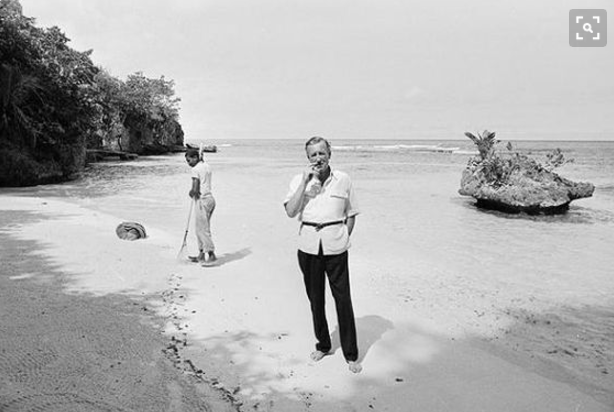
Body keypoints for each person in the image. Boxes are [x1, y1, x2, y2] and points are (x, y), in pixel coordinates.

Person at [283, 136, 362, 373]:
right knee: (316, 300)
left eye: (321, 153)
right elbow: (290, 211)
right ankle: (324, 344)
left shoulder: (343, 180)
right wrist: (305, 183)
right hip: (308, 247)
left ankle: (351, 354)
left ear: (330, 153)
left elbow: (352, 213)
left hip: (336, 246)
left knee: (343, 300)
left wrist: (344, 237)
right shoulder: (299, 180)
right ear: (308, 158)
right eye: (313, 155)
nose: (318, 158)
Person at [185, 148, 217, 265]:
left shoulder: (195, 169)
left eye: (189, 160)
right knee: (201, 228)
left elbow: (195, 188)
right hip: (211, 200)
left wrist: (191, 192)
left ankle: (211, 254)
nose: (189, 163)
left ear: (195, 158)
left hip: (202, 201)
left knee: (202, 230)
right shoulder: (207, 166)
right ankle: (201, 255)